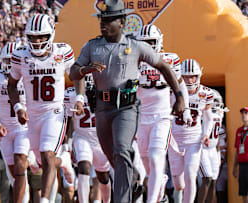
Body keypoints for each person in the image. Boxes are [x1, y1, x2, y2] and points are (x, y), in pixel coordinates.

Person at [68, 0, 185, 201]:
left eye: (110, 20)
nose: (103, 24)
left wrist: (180, 96)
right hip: (103, 107)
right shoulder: (92, 46)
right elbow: (73, 73)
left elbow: (164, 67)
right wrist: (85, 70)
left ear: (122, 22)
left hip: (127, 107)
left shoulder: (136, 45)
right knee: (112, 155)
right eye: (102, 20)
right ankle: (133, 183)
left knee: (121, 149)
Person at [8, 13, 75, 203]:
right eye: (33, 37)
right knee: (40, 162)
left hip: (54, 112)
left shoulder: (62, 52)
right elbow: (11, 84)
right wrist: (19, 107)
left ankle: (45, 200)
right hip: (33, 114)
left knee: (47, 155)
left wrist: (78, 97)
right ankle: (64, 162)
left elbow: (75, 76)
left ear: (51, 34)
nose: (37, 41)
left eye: (41, 36)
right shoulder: (20, 55)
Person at [135, 24, 192, 203]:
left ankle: (152, 200)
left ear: (159, 41)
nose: (149, 46)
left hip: (162, 117)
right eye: (145, 43)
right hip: (140, 118)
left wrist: (185, 106)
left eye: (152, 42)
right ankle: (160, 184)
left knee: (155, 156)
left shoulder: (170, 59)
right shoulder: (133, 60)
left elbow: (180, 83)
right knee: (146, 161)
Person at [0, 42, 31, 202]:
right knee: (14, 175)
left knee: (20, 166)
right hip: (4, 131)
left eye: (13, 61)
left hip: (23, 129)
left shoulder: (28, 77)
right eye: (7, 61)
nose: (10, 65)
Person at [168, 59, 213, 203]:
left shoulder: (205, 93)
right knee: (178, 184)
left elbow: (208, 118)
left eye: (192, 76)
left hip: (194, 140)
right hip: (175, 140)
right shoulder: (171, 91)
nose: (189, 79)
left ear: (198, 76)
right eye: (186, 76)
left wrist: (206, 134)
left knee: (190, 174)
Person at [64, 75, 111, 203]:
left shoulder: (106, 92)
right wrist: (66, 144)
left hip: (101, 139)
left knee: (104, 177)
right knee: (83, 168)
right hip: (82, 137)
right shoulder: (71, 95)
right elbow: (67, 119)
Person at [197, 89, 227, 203]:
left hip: (214, 150)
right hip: (203, 149)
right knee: (207, 179)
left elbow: (218, 137)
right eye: (214, 101)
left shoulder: (220, 114)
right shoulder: (202, 114)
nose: (216, 103)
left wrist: (218, 153)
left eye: (217, 101)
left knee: (214, 182)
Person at [233, 106, 248, 203]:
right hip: (242, 165)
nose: (243, 115)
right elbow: (237, 150)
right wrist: (234, 167)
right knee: (243, 191)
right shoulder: (239, 131)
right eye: (242, 113)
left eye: (246, 113)